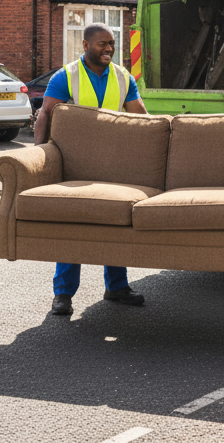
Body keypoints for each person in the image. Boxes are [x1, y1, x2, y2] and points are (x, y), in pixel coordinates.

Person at [34, 22, 148, 317]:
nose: (109, 48)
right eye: (102, 44)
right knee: (73, 226)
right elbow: (45, 115)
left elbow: (141, 117)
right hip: (75, 163)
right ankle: (63, 295)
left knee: (115, 222)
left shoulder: (123, 76)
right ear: (85, 46)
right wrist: (40, 156)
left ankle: (117, 287)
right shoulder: (66, 76)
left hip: (113, 161)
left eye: (111, 43)